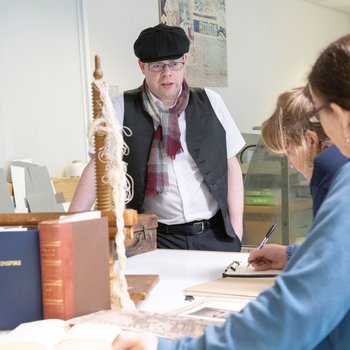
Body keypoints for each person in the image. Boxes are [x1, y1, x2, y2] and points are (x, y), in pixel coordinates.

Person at [113, 33, 350, 349]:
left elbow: (292, 317)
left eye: (320, 113)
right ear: (143, 68)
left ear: (339, 117)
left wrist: (166, 346)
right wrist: (295, 255)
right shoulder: (123, 108)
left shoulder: (345, 186)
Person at [69, 24, 245, 252]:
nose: (167, 73)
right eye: (157, 66)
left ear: (185, 60)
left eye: (174, 64)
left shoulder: (211, 102)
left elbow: (230, 166)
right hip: (154, 238)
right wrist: (68, 228)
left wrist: (237, 229)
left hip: (214, 234)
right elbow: (97, 168)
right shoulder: (120, 107)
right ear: (142, 66)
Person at [249, 86, 348, 271]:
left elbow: (331, 267)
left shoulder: (329, 169)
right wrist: (289, 255)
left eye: (289, 151)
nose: (292, 164)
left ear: (311, 140)